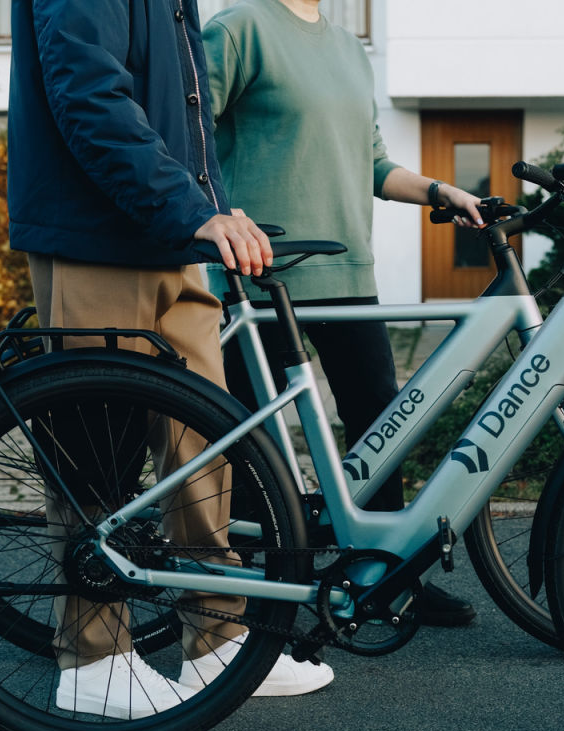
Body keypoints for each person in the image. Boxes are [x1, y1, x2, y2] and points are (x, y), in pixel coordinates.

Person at [7, 0, 333, 717]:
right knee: (98, 450)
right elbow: (88, 93)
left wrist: (208, 207)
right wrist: (188, 210)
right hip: (95, 232)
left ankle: (215, 638)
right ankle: (93, 661)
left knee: (205, 445)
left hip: (167, 233)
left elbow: (182, 114)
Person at [201, 0, 482, 628]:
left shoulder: (349, 49)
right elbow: (186, 139)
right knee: (259, 446)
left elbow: (374, 161)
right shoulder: (238, 29)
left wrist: (441, 192)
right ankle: (256, 600)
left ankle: (384, 577)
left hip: (348, 271)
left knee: (382, 422)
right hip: (261, 277)